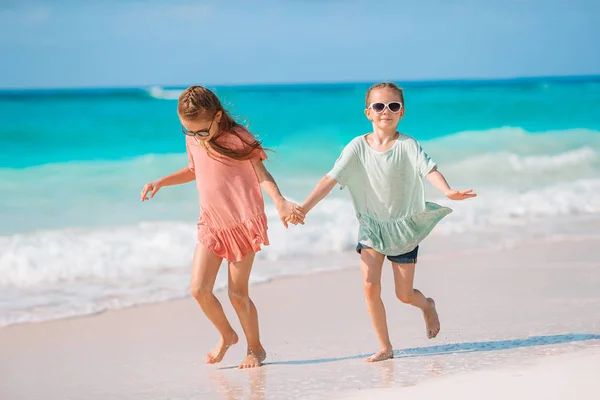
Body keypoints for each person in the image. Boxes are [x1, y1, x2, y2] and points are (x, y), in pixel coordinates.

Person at [296, 82, 476, 362]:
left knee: (404, 294)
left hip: (404, 227)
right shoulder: (357, 146)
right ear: (368, 112)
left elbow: (430, 170)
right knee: (369, 285)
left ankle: (427, 305)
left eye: (394, 106)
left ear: (402, 112)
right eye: (379, 106)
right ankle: (385, 346)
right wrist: (304, 208)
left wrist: (448, 191)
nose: (386, 111)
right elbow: (330, 179)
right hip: (372, 226)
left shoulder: (408, 145)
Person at [141, 85, 304, 368]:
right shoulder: (194, 137)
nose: (197, 136)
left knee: (237, 294)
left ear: (217, 116)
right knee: (198, 289)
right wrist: (161, 181)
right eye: (188, 131)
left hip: (242, 222)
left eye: (202, 131)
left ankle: (255, 349)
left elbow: (261, 174)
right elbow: (194, 169)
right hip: (212, 223)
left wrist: (279, 201)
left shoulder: (239, 138)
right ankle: (227, 335)